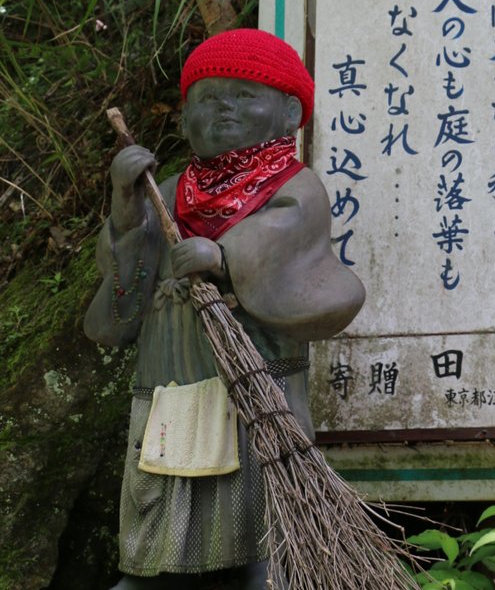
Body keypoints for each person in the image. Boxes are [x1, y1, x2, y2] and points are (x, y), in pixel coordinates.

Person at [85, 29, 365, 590]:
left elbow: (291, 235)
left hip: (255, 371)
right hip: (171, 369)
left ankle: (266, 566)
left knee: (255, 469)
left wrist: (225, 255)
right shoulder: (169, 188)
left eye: (243, 96)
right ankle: (154, 571)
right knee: (163, 468)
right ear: (185, 115)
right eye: (208, 99)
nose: (225, 110)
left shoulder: (293, 185)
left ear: (289, 113)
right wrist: (125, 206)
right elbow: (127, 279)